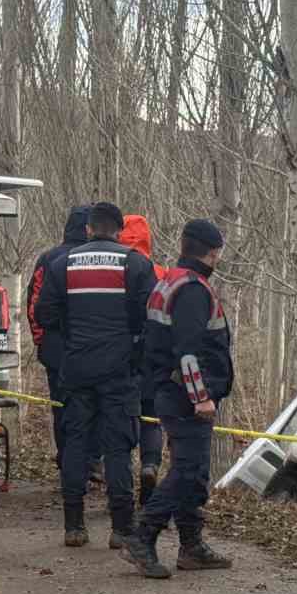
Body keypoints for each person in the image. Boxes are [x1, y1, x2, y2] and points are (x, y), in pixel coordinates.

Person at [35, 201, 156, 548]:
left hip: (77, 368)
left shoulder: (63, 264)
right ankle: (121, 529)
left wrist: (73, 335)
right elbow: (147, 317)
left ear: (88, 229)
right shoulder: (136, 263)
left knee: (75, 444)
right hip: (119, 370)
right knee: (117, 448)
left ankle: (74, 526)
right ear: (120, 230)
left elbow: (45, 314)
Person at [121, 219, 234, 579]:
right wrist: (200, 396)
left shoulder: (170, 279)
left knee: (195, 470)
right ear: (213, 253)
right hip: (185, 395)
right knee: (186, 470)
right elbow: (187, 351)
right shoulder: (193, 290)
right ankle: (143, 535)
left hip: (169, 390)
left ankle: (191, 545)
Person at [26, 206, 90, 471]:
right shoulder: (95, 259)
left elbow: (34, 306)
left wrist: (41, 342)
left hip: (56, 350)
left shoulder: (48, 258)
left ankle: (68, 463)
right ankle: (89, 462)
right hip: (91, 349)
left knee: (60, 409)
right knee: (90, 408)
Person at [120, 212, 168, 504]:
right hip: (153, 358)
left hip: (121, 356)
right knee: (152, 417)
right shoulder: (160, 272)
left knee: (123, 418)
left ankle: (123, 479)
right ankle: (150, 465)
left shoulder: (114, 269)